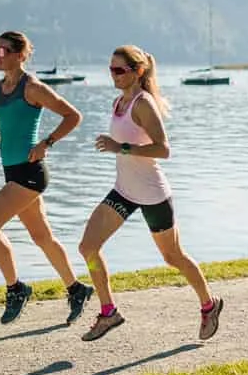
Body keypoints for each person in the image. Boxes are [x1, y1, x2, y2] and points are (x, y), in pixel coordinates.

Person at [76, 45, 223, 341]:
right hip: (124, 192)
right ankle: (108, 312)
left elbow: (163, 149)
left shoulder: (143, 104)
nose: (114, 75)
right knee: (88, 248)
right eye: (111, 70)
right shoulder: (118, 102)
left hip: (153, 196)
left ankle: (209, 305)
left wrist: (121, 148)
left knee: (173, 257)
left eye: (120, 70)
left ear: (138, 71)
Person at [0, 30, 96, 324]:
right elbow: (1, 130)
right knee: (42, 236)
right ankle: (76, 289)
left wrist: (46, 143)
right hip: (11, 172)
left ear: (21, 54)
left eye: (4, 51)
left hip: (30, 173)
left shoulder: (33, 88)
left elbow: (73, 116)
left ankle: (16, 289)